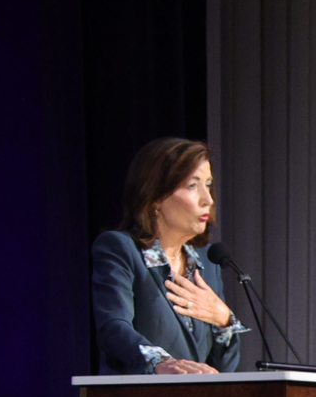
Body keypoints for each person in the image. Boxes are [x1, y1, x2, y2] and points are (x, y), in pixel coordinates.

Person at [92, 138, 246, 375]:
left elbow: (221, 370)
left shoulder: (206, 262)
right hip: (138, 396)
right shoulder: (121, 249)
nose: (208, 199)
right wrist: (160, 362)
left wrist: (224, 320)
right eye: (192, 186)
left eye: (208, 185)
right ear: (155, 196)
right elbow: (113, 328)